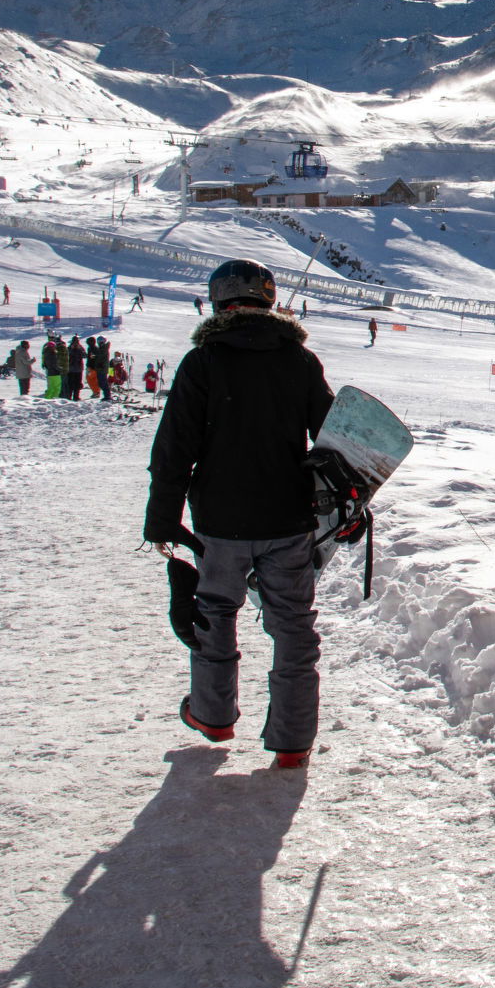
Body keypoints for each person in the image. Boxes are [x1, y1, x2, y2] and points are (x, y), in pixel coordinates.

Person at [146, 258, 334, 772]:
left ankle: (213, 716)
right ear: (268, 300)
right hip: (288, 520)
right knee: (293, 627)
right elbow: (335, 441)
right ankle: (292, 740)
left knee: (215, 613)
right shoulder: (300, 360)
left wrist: (162, 517)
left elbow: (174, 448)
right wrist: (350, 504)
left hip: (221, 521)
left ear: (218, 302)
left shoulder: (203, 361)